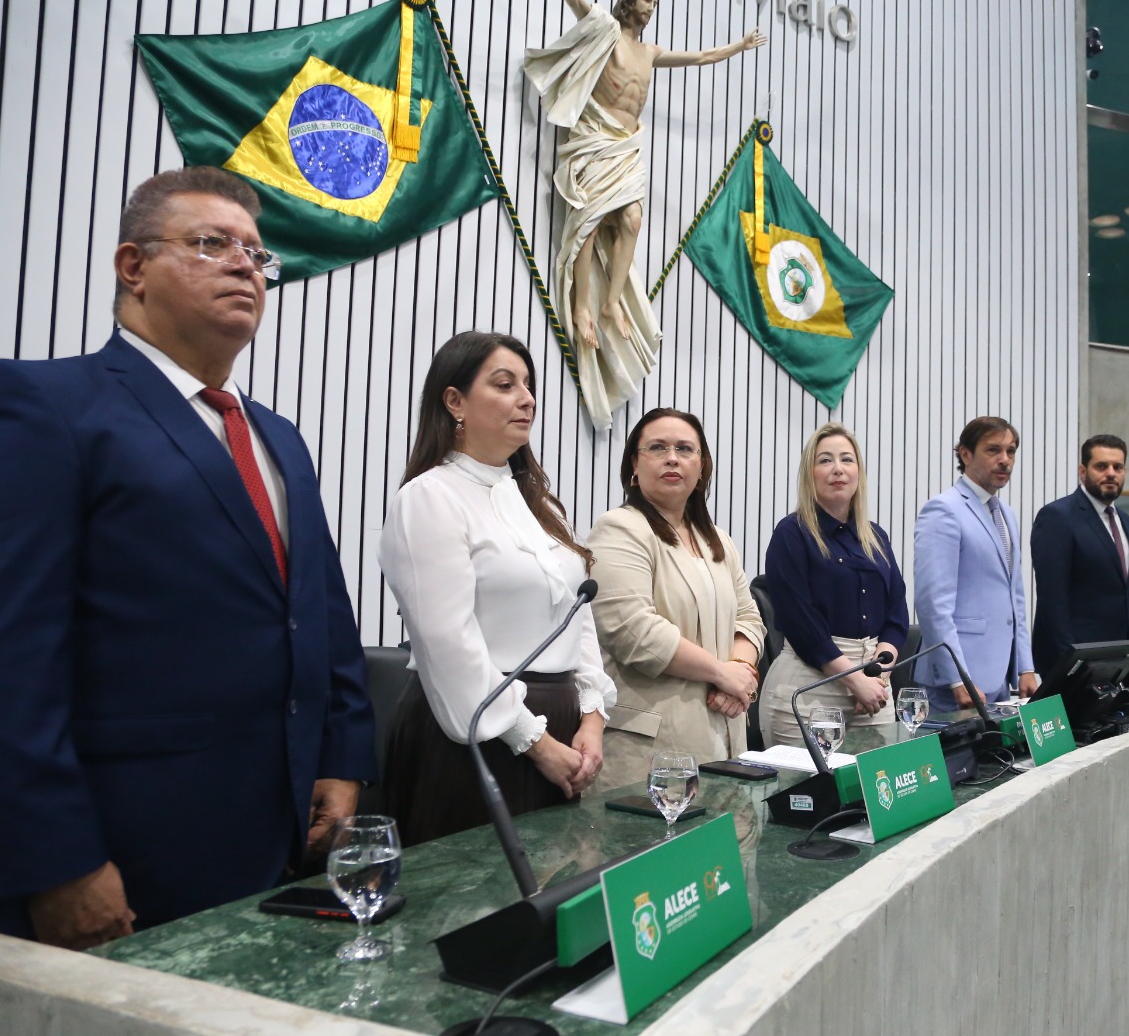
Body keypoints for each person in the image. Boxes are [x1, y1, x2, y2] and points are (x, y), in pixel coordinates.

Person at [0, 167, 375, 948]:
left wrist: (343, 758)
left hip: (274, 834)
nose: (244, 267)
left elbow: (319, 610)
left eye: (258, 257)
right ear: (133, 268)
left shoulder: (277, 436)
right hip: (120, 847)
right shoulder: (42, 406)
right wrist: (57, 861)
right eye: (212, 243)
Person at [377, 332, 617, 846]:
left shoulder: (540, 506)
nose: (527, 398)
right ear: (454, 401)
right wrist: (535, 742)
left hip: (562, 725)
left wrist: (592, 717)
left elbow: (578, 615)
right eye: (505, 384)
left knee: (554, 897)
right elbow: (448, 644)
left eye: (529, 385)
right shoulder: (430, 497)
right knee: (475, 909)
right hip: (479, 731)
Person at [524, 0, 766, 427]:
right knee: (590, 222)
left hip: (628, 144)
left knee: (632, 220)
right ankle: (581, 307)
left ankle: (611, 301)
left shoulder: (650, 51)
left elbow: (697, 57)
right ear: (630, 0)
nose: (652, 7)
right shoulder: (605, 29)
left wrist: (737, 47)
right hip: (596, 136)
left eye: (655, 2)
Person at [586, 408, 766, 790]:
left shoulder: (716, 540)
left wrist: (739, 669)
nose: (672, 457)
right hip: (649, 751)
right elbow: (634, 631)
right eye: (657, 448)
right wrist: (723, 675)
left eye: (685, 449)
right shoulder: (619, 529)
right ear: (634, 464)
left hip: (725, 733)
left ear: (701, 468)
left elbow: (749, 619)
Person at [761, 424, 908, 746]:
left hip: (874, 688)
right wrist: (855, 681)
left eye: (847, 460)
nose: (838, 469)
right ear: (809, 474)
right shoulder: (791, 534)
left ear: (859, 472)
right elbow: (802, 625)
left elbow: (897, 615)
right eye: (825, 460)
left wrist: (876, 676)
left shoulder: (876, 536)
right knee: (812, 794)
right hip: (810, 688)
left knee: (873, 792)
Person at [913, 417, 1038, 708]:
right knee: (953, 756)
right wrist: (957, 678)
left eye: (1011, 451)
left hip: (1000, 676)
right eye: (993, 450)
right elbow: (933, 603)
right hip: (957, 680)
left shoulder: (1006, 514)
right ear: (965, 454)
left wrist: (1025, 666)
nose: (1005, 460)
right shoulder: (943, 510)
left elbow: (1014, 597)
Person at [1030, 434, 1129, 684]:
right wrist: (1071, 663)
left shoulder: (1125, 521)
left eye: (1118, 467)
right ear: (1083, 471)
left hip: (1118, 664)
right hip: (1074, 666)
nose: (1111, 473)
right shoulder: (1058, 516)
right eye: (1101, 466)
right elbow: (1052, 600)